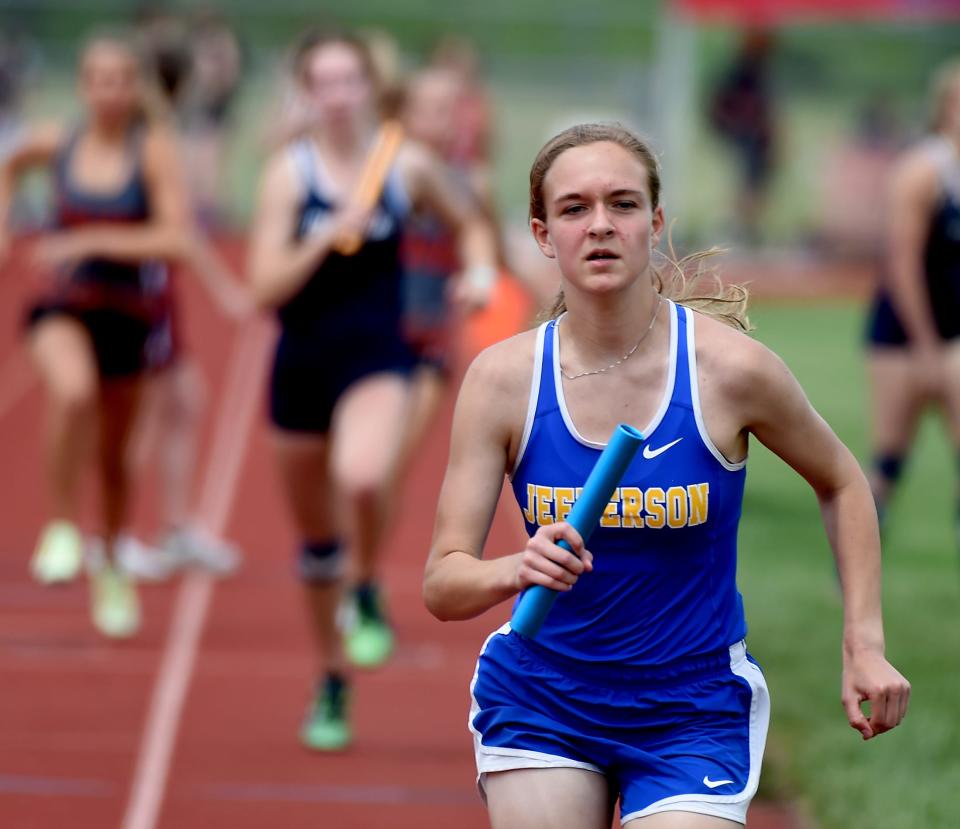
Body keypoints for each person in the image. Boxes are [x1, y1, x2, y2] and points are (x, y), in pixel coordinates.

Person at [423, 123, 910, 828]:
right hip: (546, 694)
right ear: (540, 234)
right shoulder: (504, 380)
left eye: (621, 205)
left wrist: (863, 643)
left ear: (654, 223)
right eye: (574, 208)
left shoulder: (730, 370)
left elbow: (842, 480)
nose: (599, 226)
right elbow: (443, 583)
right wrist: (515, 570)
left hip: (691, 705)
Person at [246, 30, 496, 752]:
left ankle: (366, 584)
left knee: (364, 473)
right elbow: (264, 286)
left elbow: (470, 222)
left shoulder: (404, 163)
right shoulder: (287, 176)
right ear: (306, 92)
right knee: (313, 541)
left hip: (377, 358)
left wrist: (477, 272)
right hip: (300, 365)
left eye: (349, 79)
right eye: (322, 81)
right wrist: (326, 235)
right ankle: (331, 676)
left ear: (367, 86)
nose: (337, 94)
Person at [0, 34, 193, 637]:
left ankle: (110, 559)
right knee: (73, 390)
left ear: (134, 88)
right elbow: (8, 165)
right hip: (61, 305)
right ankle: (61, 527)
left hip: (127, 315)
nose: (109, 92)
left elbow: (176, 240)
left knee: (113, 460)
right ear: (83, 86)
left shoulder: (152, 150)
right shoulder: (59, 141)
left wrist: (89, 241)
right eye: (99, 80)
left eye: (121, 80)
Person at [864, 61, 960, 536]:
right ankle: (857, 563)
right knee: (889, 458)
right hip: (904, 332)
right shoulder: (922, 173)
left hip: (955, 332)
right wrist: (925, 345)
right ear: (947, 107)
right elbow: (901, 265)